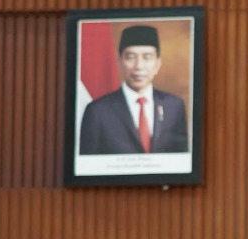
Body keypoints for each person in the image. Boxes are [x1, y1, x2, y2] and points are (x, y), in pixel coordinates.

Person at [79, 25, 190, 155]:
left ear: (157, 64)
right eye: (131, 57)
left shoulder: (174, 106)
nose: (139, 66)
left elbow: (181, 156)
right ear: (119, 62)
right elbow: (88, 162)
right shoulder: (97, 111)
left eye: (147, 57)